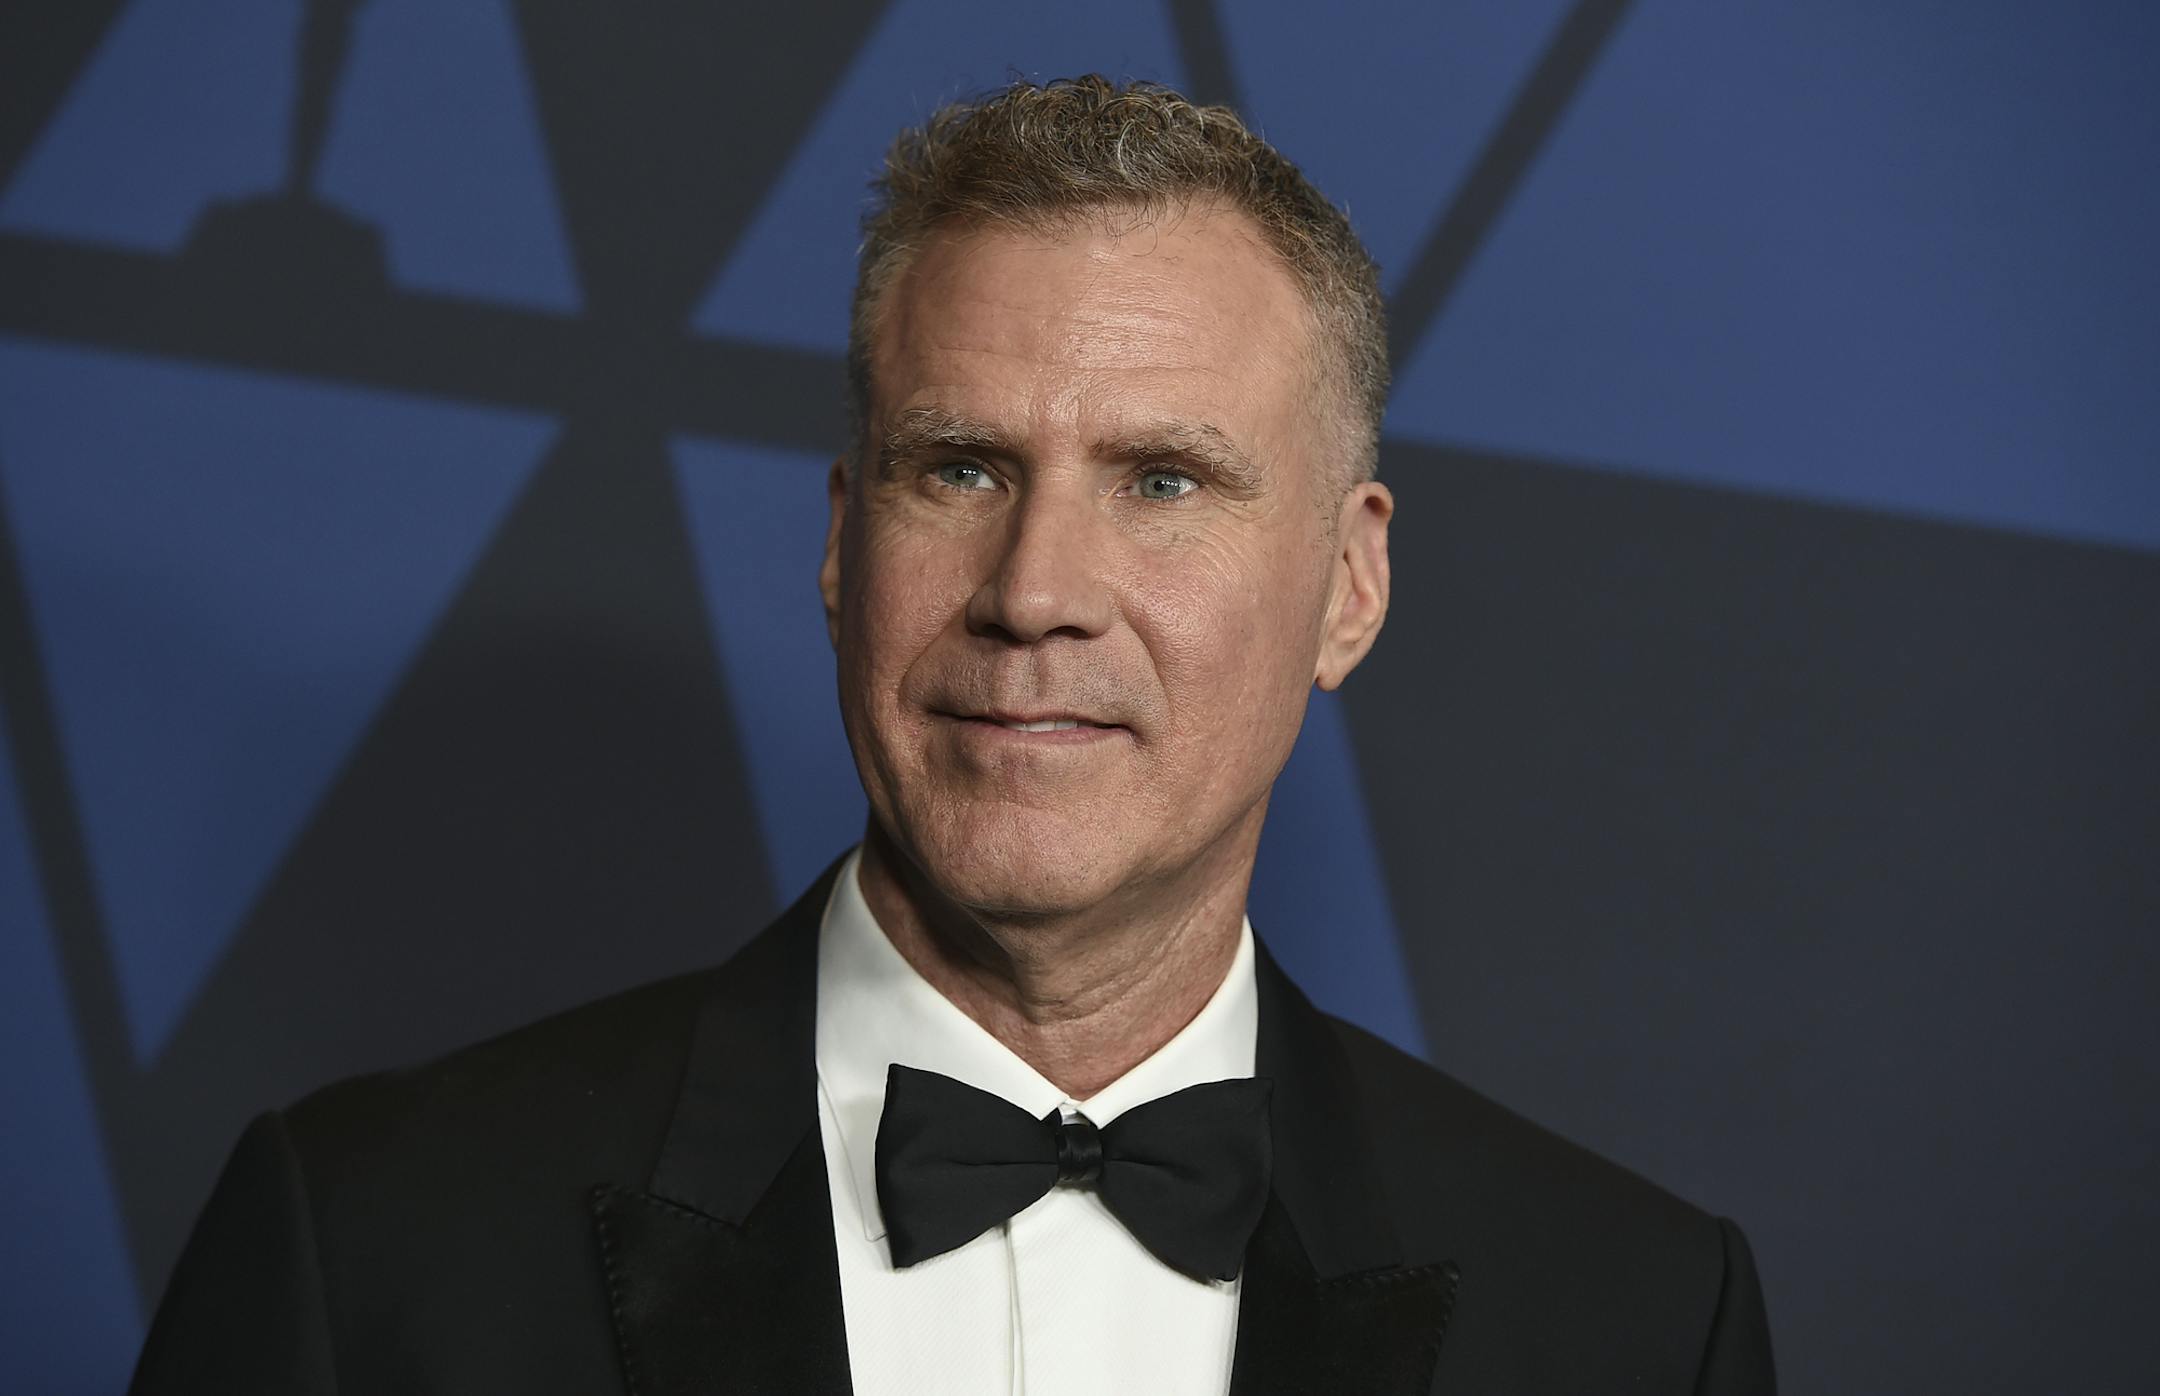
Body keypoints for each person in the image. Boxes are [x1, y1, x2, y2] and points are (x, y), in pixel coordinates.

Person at [131, 76, 1774, 1394]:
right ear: (847, 544)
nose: (1035, 593)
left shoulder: (1629, 1322)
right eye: (963, 467)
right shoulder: (371, 1253)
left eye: (1162, 482)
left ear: (1349, 587)